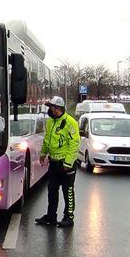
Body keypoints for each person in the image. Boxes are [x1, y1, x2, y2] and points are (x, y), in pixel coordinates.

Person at [35, 96, 80, 228]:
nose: (50, 110)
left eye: (52, 107)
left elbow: (74, 143)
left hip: (66, 164)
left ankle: (68, 217)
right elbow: (47, 140)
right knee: (52, 191)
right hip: (54, 162)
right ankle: (51, 216)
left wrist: (68, 163)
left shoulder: (70, 122)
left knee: (68, 191)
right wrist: (43, 154)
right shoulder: (50, 122)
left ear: (58, 108)